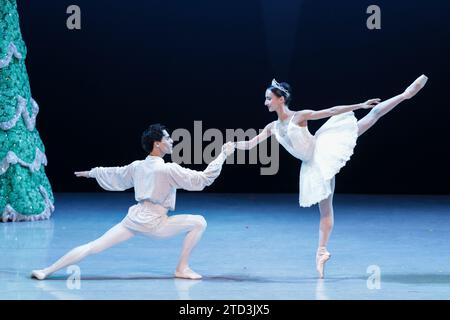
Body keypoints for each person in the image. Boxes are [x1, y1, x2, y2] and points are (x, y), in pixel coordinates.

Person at [235, 75, 428, 278]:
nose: (265, 102)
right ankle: (321, 252)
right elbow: (250, 144)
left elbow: (331, 111)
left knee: (372, 115)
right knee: (325, 211)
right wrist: (233, 146)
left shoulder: (299, 116)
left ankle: (405, 94)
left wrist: (359, 104)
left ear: (280, 99)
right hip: (311, 166)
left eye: (268, 98)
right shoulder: (272, 127)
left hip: (324, 150)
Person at [31, 123, 235, 280]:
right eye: (168, 138)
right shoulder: (168, 169)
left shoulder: (139, 166)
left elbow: (115, 173)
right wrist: (222, 155)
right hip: (155, 223)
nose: (172, 140)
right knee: (199, 222)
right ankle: (182, 268)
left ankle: (46, 271)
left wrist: (91, 173)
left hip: (134, 219)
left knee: (93, 246)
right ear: (157, 144)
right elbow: (202, 179)